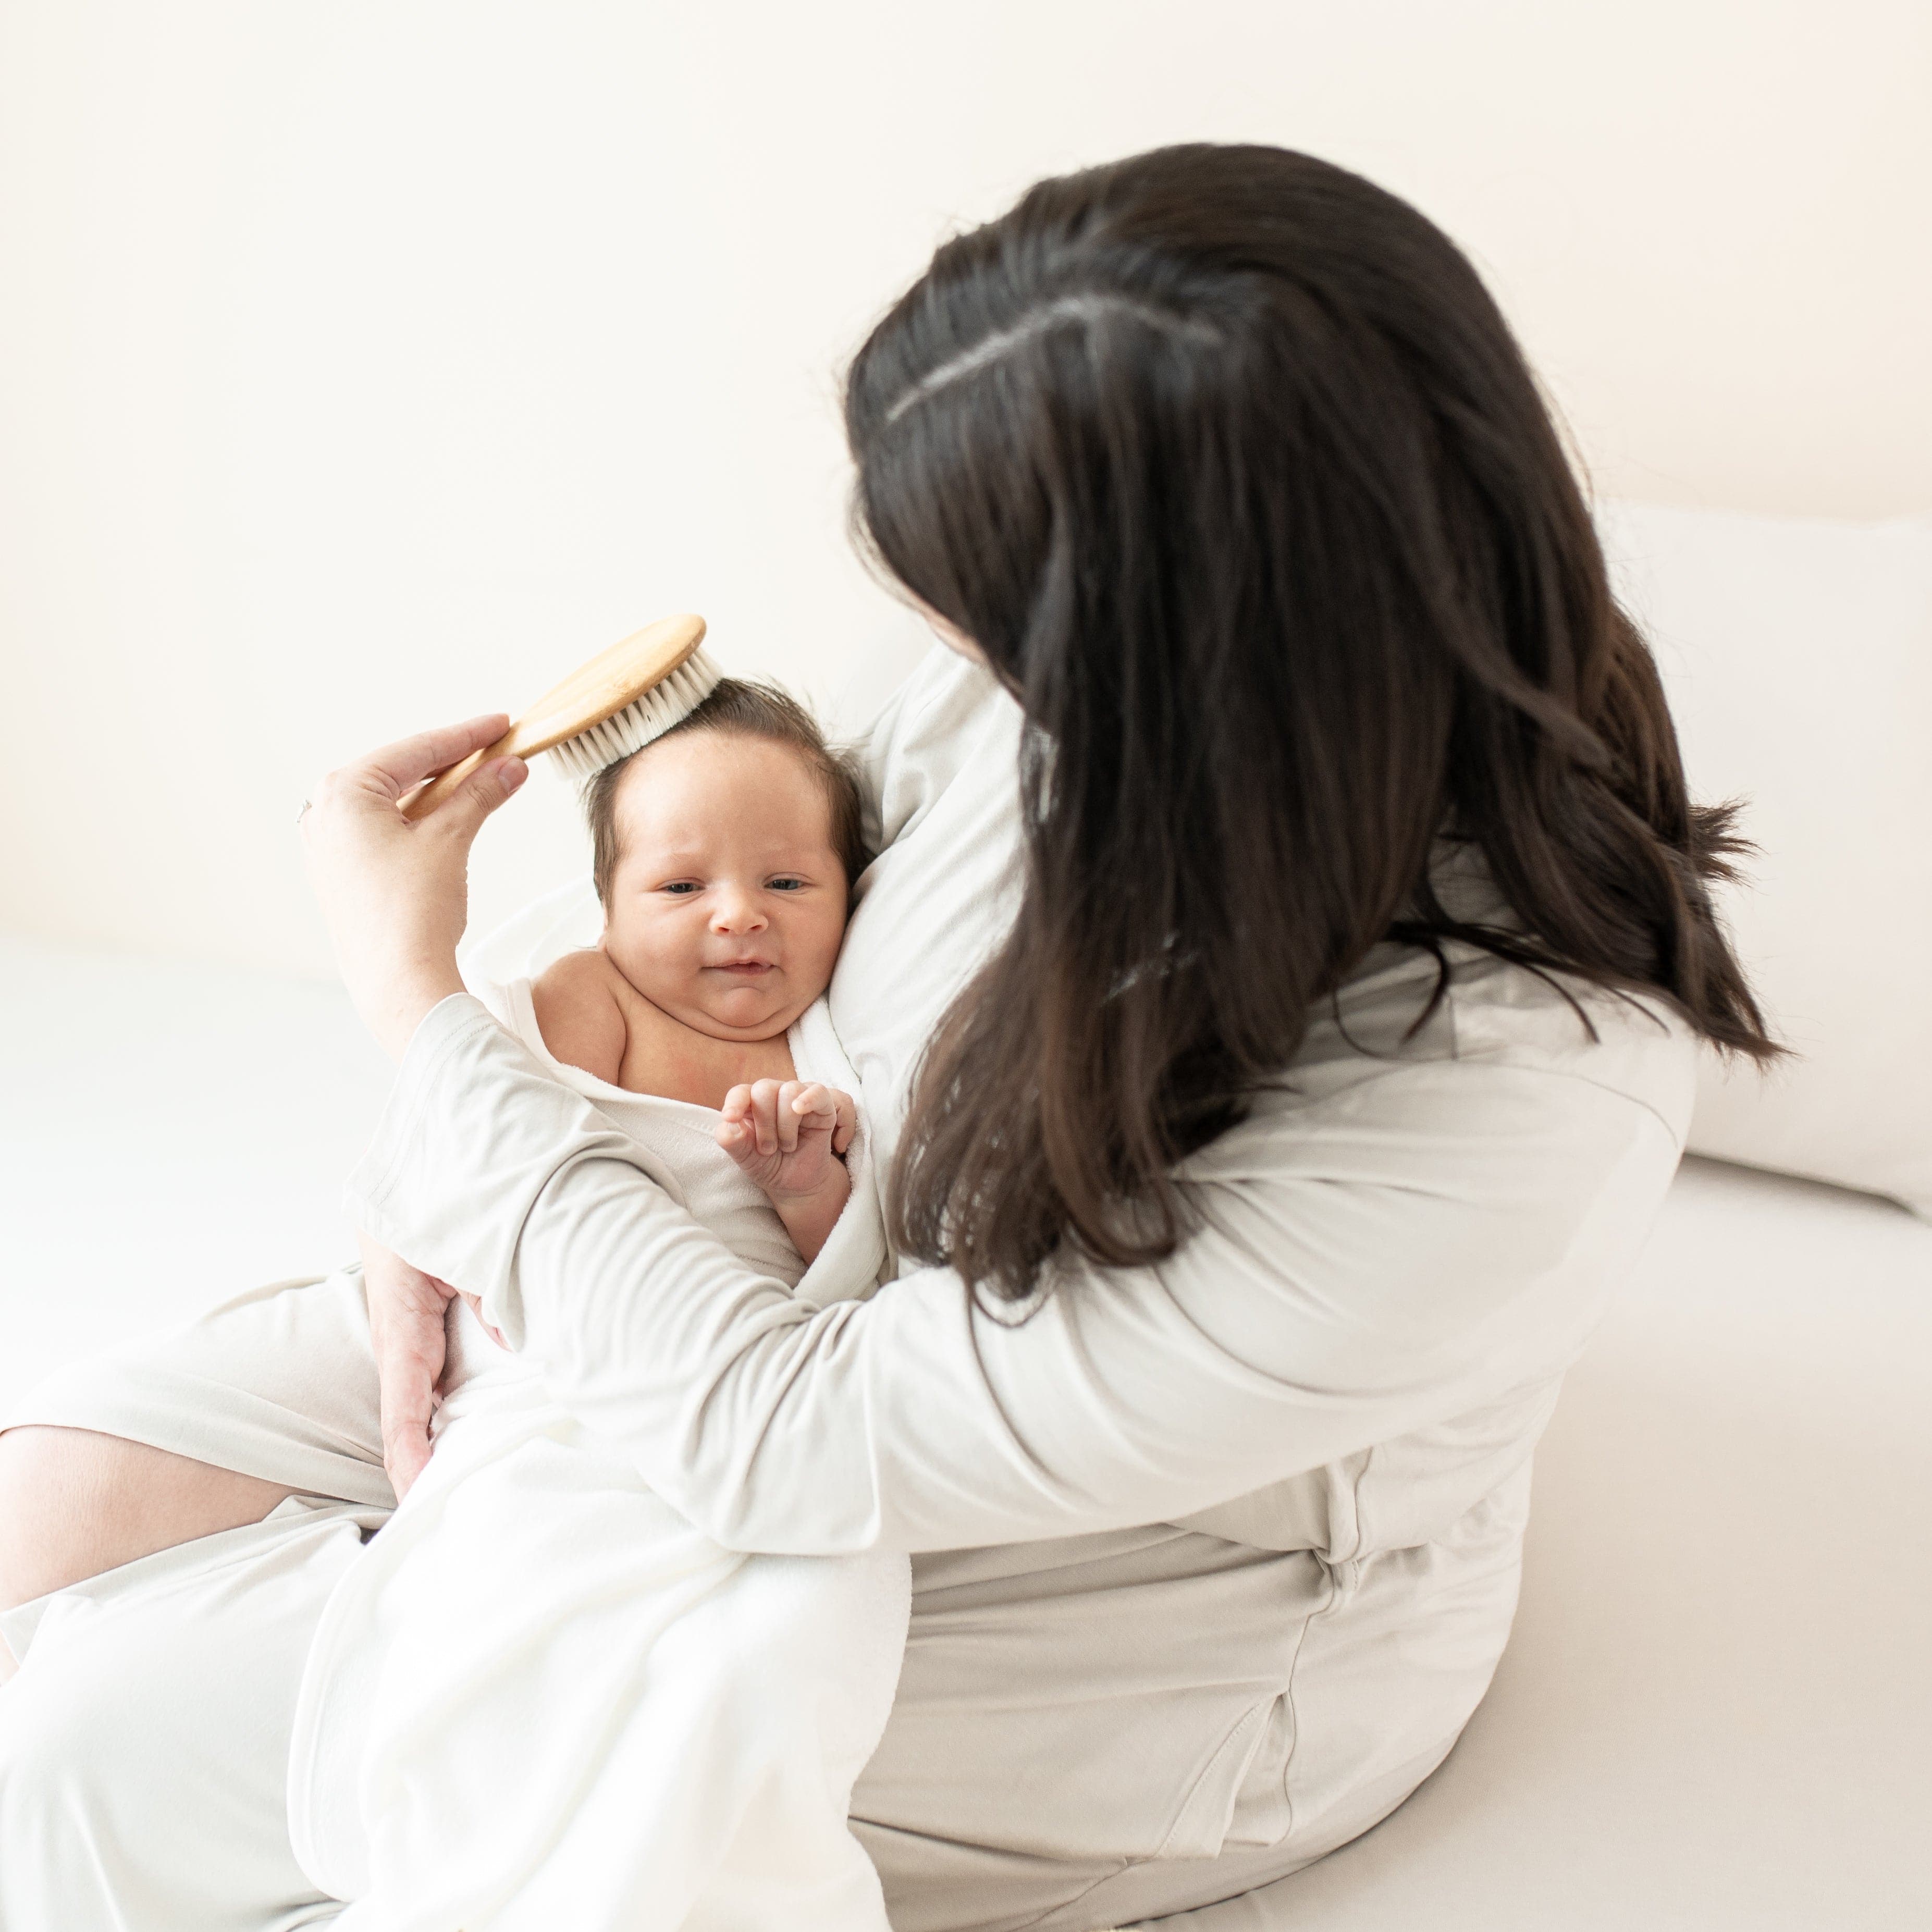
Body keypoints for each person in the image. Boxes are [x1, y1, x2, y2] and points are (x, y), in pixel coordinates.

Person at [0, 142, 1775, 1932]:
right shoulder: (1056, 684)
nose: (925, 633)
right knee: (41, 1502)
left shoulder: (1486, 1101)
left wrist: (420, 1009)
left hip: (1070, 1571)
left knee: (92, 1737)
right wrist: (467, 1151)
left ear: (1179, 662)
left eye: (976, 605)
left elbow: (789, 1435)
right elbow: (754, 891)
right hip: (725, 1261)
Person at [283, 674, 908, 1932]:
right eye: (681, 888)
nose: (739, 918)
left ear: (852, 897)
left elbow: (854, 1279)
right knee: (517, 1601)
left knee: (796, 1633)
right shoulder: (593, 1003)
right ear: (609, 906)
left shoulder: (833, 1053)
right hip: (568, 1395)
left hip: (751, 1404)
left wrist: (807, 1192)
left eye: (789, 884)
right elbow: (469, 1142)